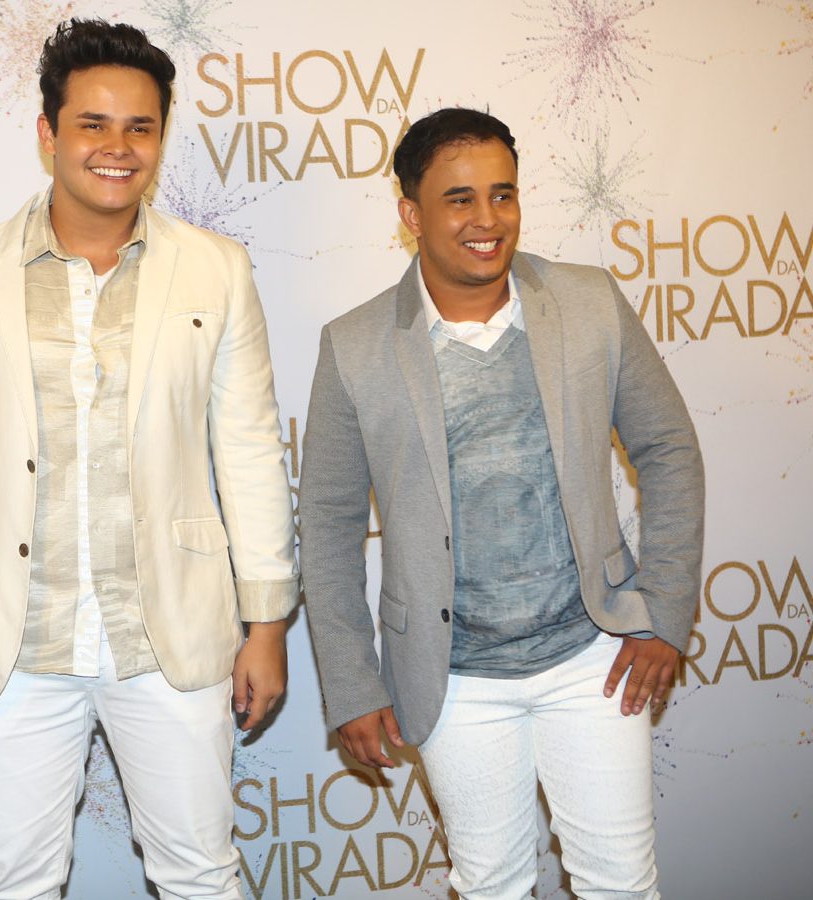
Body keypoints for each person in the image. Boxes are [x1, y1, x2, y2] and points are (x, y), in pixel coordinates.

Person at [0, 19, 298, 900]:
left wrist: (266, 623)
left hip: (172, 632)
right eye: (93, 125)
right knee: (14, 883)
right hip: (11, 642)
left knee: (201, 876)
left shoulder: (216, 269)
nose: (118, 147)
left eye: (140, 127)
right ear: (49, 133)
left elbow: (250, 450)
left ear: (161, 137)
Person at [299, 107, 704, 899]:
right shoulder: (355, 345)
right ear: (412, 214)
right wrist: (351, 683)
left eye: (503, 194)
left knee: (622, 883)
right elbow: (328, 525)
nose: (487, 220)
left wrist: (662, 612)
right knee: (491, 886)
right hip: (453, 677)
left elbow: (670, 449)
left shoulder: (589, 301)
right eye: (459, 200)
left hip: (592, 656)